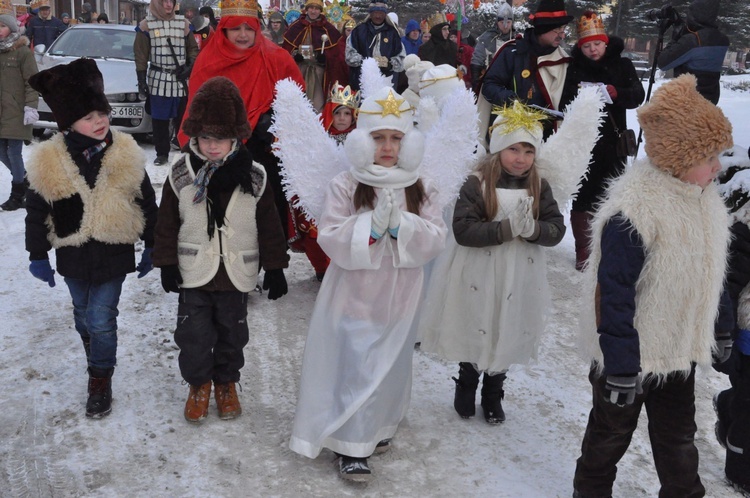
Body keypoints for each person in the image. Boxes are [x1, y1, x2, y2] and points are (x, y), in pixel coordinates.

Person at [572, 74, 734, 498]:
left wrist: (722, 325)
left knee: (678, 438)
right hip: (627, 357)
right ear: (679, 158)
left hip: (678, 351)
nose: (718, 166)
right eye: (710, 156)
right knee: (608, 440)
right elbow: (613, 291)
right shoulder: (636, 210)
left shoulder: (705, 203)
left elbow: (711, 273)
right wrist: (622, 366)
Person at [288, 87, 447, 481]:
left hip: (401, 291)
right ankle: (350, 445)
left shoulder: (422, 184)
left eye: (397, 138)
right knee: (357, 360)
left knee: (390, 363)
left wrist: (403, 225)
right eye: (379, 138)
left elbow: (435, 235)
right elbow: (330, 233)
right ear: (363, 141)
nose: (388, 147)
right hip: (355, 289)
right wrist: (370, 229)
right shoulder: (346, 183)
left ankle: (377, 427)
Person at [25, 58, 158, 419]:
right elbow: (37, 211)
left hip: (114, 251)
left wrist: (153, 244)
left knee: (101, 317)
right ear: (69, 124)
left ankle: (100, 377)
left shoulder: (126, 154)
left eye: (102, 113)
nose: (99, 121)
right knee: (83, 315)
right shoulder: (48, 161)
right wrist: (38, 255)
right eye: (89, 117)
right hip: (72, 253)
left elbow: (146, 201)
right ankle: (93, 346)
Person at [418, 102, 565, 424]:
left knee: (507, 323)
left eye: (528, 151)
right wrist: (505, 229)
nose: (521, 158)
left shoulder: (540, 186)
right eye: (513, 148)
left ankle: (494, 390)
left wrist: (535, 229)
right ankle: (467, 382)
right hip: (478, 270)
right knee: (477, 320)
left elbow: (556, 229)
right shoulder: (476, 183)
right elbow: (463, 229)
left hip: (518, 271)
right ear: (498, 148)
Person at [153, 76, 288, 424]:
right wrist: (166, 262)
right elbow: (166, 221)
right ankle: (198, 384)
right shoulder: (181, 173)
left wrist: (275, 266)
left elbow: (270, 224)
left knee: (232, 334)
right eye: (206, 139)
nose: (213, 147)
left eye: (222, 139)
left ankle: (226, 382)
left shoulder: (254, 176)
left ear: (237, 138)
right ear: (195, 136)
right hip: (193, 270)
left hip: (235, 272)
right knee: (193, 335)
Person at [178, 0, 303, 242]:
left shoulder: (277, 57)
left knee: (268, 214)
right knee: (228, 218)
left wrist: (274, 118)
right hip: (220, 152)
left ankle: (272, 268)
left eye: (249, 27)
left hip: (265, 150)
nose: (243, 35)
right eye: (236, 28)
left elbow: (297, 100)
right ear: (223, 28)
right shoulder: (208, 61)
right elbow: (197, 110)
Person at [559, 11, 645, 271]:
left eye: (596, 44)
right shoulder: (573, 66)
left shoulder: (622, 65)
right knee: (583, 196)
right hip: (584, 142)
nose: (593, 50)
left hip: (614, 141)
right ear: (580, 47)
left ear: (605, 42)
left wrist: (616, 92)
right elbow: (562, 102)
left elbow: (637, 96)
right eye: (587, 46)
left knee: (611, 197)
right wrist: (580, 97)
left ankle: (607, 249)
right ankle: (583, 250)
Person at [481, 0, 572, 138]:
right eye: (557, 30)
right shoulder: (512, 52)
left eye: (563, 30)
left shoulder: (562, 59)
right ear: (543, 29)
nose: (562, 35)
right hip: (509, 132)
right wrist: (511, 101)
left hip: (546, 137)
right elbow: (489, 86)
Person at [713, 169, 750, 494]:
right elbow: (730, 282)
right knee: (748, 410)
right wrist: (724, 332)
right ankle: (740, 473)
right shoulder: (746, 226)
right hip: (749, 336)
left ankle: (727, 403)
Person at [134, 0, 199, 166]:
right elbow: (141, 54)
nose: (169, 5)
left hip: (179, 79)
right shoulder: (146, 25)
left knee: (183, 120)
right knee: (159, 121)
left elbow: (192, 49)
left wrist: (189, 67)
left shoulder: (183, 23)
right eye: (164, 1)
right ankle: (162, 153)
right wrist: (141, 79)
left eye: (171, 1)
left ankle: (186, 152)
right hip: (158, 78)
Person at [0, 10, 38, 212]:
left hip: (17, 110)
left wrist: (30, 106)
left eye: (2, 26)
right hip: (1, 112)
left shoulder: (22, 52)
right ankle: (25, 180)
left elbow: (32, 82)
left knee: (14, 153)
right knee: (1, 151)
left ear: (12, 29)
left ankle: (18, 194)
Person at [656, 0, 728, 105]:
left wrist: (676, 36)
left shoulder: (693, 40)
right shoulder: (723, 40)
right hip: (710, 99)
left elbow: (663, 63)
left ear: (695, 15)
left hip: (688, 100)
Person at [282, 0, 341, 111]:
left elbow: (335, 55)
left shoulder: (327, 28)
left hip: (318, 71)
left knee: (317, 102)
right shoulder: (296, 26)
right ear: (307, 9)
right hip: (300, 69)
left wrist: (325, 58)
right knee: (297, 99)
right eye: (311, 8)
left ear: (320, 11)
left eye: (317, 8)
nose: (313, 11)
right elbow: (286, 51)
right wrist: (295, 56)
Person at [345, 0, 405, 90]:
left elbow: (401, 57)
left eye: (381, 13)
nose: (378, 16)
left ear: (385, 14)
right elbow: (349, 55)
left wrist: (390, 64)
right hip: (361, 80)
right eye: (375, 12)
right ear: (370, 13)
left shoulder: (393, 34)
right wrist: (367, 63)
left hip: (386, 80)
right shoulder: (358, 31)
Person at [471, 2, 513, 92]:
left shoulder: (517, 39)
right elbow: (477, 60)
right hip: (489, 82)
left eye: (508, 22)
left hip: (511, 83)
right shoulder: (486, 38)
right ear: (497, 22)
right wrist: (476, 84)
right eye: (502, 22)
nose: (505, 26)